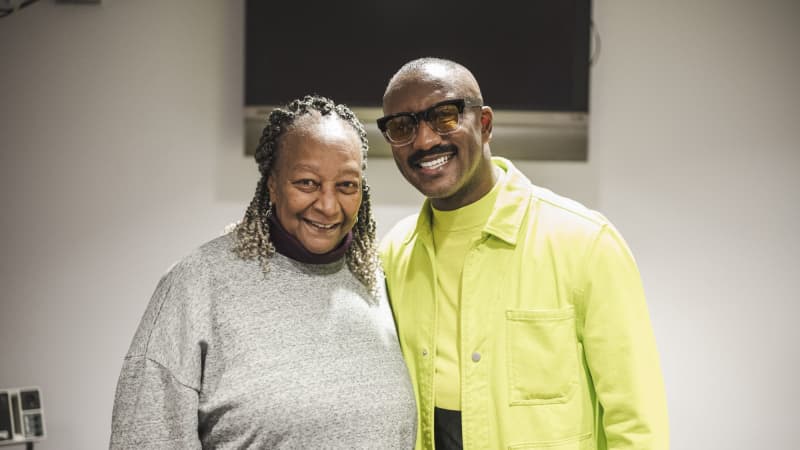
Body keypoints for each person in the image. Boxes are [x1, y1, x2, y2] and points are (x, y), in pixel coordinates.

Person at [377, 57, 669, 449]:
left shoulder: (585, 243)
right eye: (402, 127)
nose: (425, 140)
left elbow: (636, 425)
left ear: (484, 125)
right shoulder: (394, 255)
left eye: (445, 117)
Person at [110, 95, 417, 449]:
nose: (329, 205)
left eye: (346, 185)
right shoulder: (198, 282)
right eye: (307, 183)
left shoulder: (374, 280)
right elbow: (145, 437)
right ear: (272, 182)